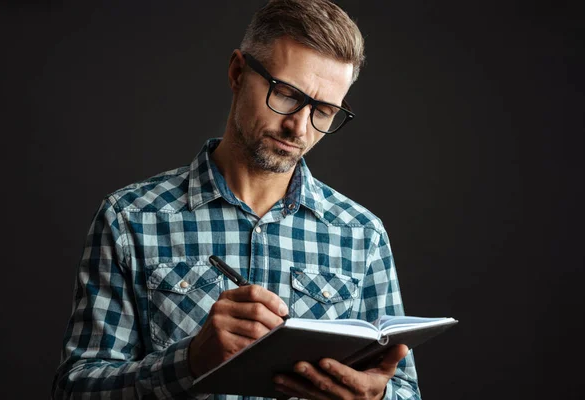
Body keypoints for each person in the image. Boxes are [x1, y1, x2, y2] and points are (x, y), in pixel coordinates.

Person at [52, 0, 422, 398]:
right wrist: (190, 361)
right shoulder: (129, 220)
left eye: (325, 110)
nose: (298, 126)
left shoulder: (362, 235)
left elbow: (403, 388)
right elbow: (75, 391)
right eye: (285, 94)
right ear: (237, 72)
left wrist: (376, 396)